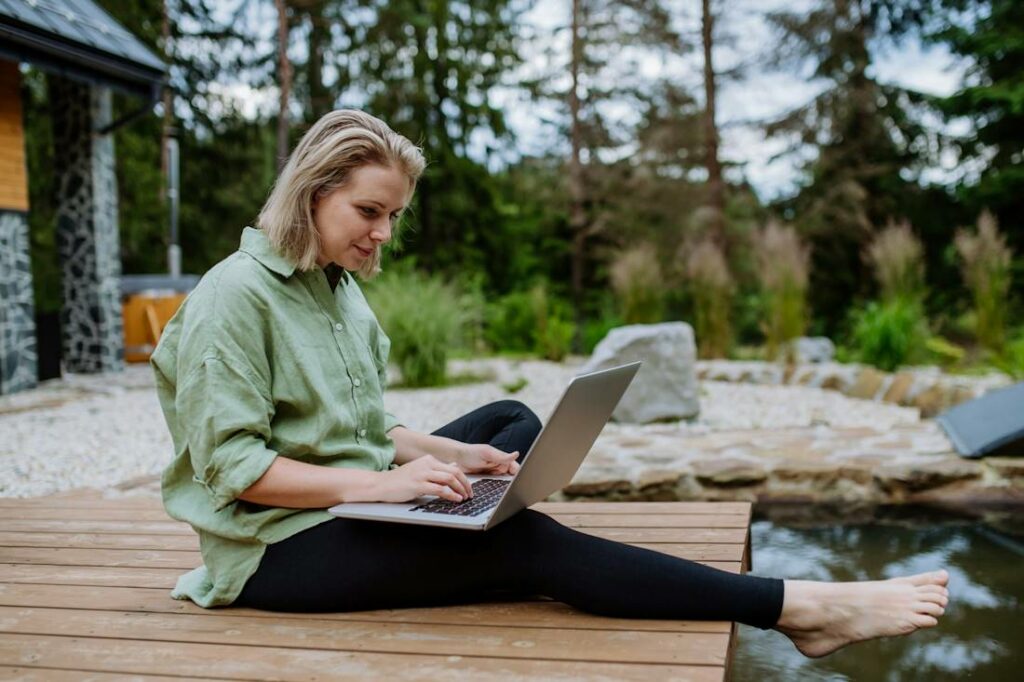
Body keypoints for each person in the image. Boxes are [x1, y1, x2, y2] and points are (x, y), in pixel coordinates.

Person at [153, 109, 950, 659]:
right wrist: (389, 488)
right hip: (272, 553)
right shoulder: (235, 297)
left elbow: (358, 423)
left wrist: (443, 458)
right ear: (313, 191)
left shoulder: (337, 289)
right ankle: (803, 610)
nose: (384, 233)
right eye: (370, 211)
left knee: (507, 422)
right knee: (528, 545)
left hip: (346, 498)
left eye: (394, 215)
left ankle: (471, 526)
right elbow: (239, 474)